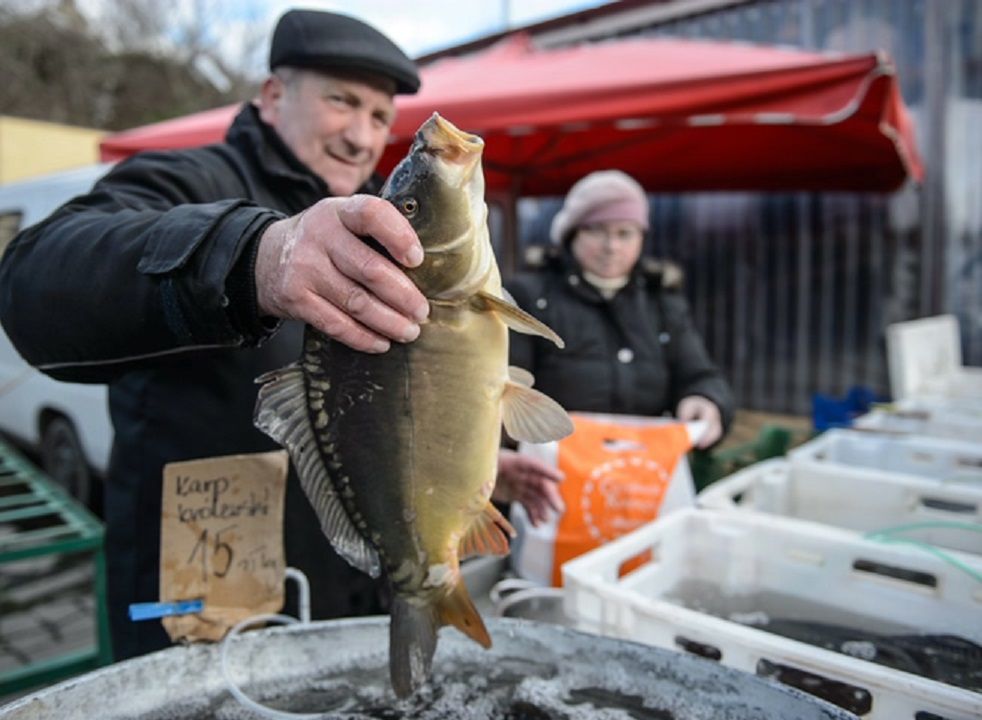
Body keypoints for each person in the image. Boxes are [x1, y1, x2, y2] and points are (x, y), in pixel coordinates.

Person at [0, 8, 557, 661]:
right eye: (341, 101)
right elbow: (31, 282)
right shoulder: (184, 180)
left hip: (350, 593)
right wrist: (256, 257)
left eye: (380, 116)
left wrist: (453, 464)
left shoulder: (392, 218)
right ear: (272, 95)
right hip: (203, 593)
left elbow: (397, 394)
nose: (361, 135)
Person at [506, 169, 735, 448]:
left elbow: (698, 374)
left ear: (642, 238)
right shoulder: (529, 298)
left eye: (625, 233)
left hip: (641, 462)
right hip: (551, 461)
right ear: (572, 234)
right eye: (596, 230)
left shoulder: (662, 304)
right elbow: (505, 382)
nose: (611, 246)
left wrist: (706, 399)